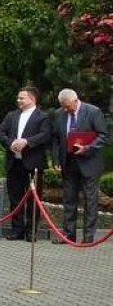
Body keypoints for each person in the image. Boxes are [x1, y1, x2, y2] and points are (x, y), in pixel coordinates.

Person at [51, 88, 109, 244]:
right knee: (69, 199)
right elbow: (56, 139)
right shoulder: (59, 114)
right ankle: (68, 235)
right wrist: (56, 160)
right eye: (62, 106)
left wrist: (87, 148)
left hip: (89, 163)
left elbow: (103, 136)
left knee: (90, 200)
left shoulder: (93, 112)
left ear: (75, 100)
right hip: (69, 163)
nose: (65, 109)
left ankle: (88, 237)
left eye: (67, 106)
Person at [0, 86, 53, 241]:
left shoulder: (43, 117)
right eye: (18, 98)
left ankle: (31, 231)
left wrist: (27, 141)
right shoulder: (11, 115)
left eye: (22, 98)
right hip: (14, 162)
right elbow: (0, 132)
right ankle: (17, 230)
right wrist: (10, 143)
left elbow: (45, 135)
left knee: (33, 199)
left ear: (32, 99)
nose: (18, 100)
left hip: (33, 164)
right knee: (15, 198)